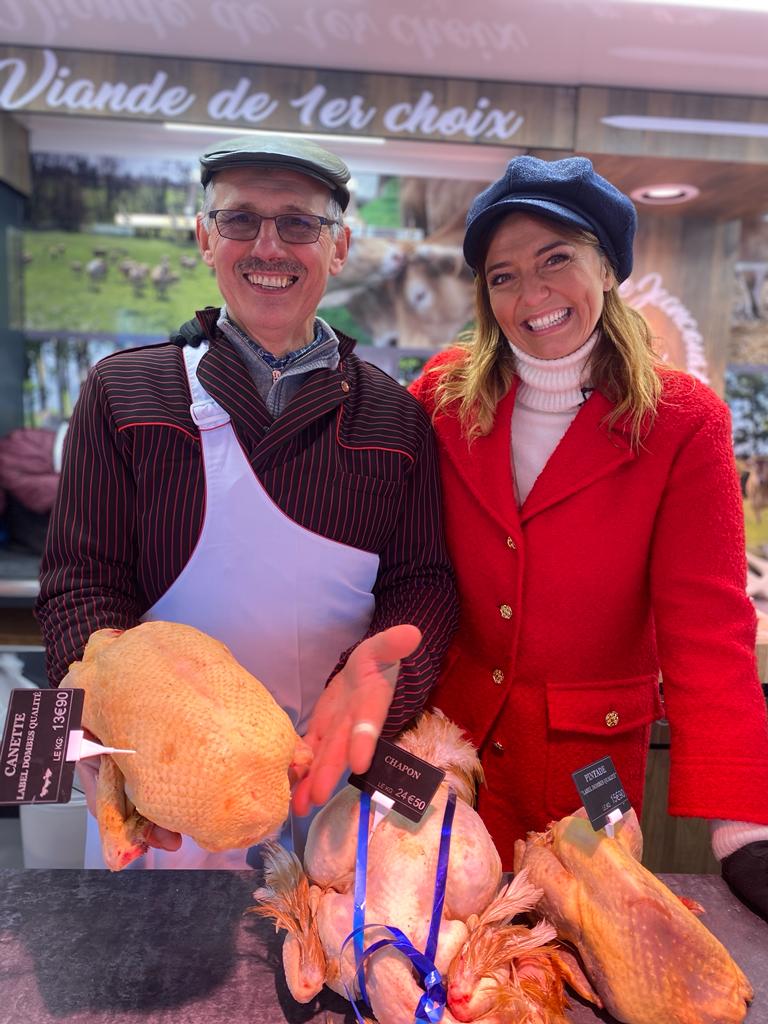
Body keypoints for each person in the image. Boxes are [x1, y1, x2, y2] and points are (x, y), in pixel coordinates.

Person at [36, 135, 457, 868]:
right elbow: (81, 581)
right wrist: (97, 713)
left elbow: (422, 583)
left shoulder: (397, 418)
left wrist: (390, 679)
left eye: (298, 222)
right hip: (165, 788)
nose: (269, 246)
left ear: (341, 247)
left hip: (337, 783)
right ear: (205, 237)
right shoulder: (124, 391)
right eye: (240, 220)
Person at [408, 155, 768, 918]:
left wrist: (745, 829)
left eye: (556, 260)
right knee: (431, 948)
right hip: (446, 750)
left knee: (581, 953)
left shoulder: (682, 421)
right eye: (502, 276)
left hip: (588, 768)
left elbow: (708, 626)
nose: (531, 294)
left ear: (606, 267)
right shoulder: (440, 395)